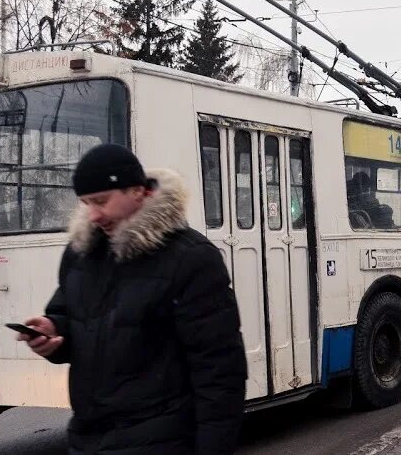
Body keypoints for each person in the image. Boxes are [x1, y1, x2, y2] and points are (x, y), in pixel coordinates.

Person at [17, 144, 247, 454]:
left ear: (138, 192)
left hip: (163, 441)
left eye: (101, 201)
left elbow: (219, 372)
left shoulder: (191, 258)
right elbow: (75, 322)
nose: (93, 215)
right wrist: (53, 332)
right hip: (88, 440)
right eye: (86, 203)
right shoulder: (81, 253)